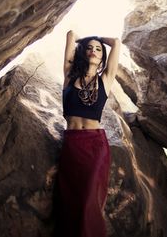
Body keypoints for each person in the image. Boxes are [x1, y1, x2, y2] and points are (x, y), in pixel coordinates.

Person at [57, 30, 120, 237]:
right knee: (69, 202)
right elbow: (70, 34)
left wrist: (100, 38)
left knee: (88, 204)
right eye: (89, 48)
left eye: (98, 49)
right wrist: (83, 40)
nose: (93, 51)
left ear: (103, 56)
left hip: (95, 147)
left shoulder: (106, 79)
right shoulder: (69, 74)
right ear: (82, 52)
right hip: (72, 146)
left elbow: (117, 42)